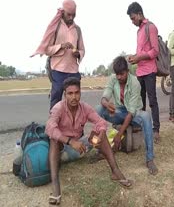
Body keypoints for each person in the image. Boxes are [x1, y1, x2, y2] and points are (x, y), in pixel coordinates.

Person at [45, 77, 131, 205]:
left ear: (80, 93)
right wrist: (70, 141)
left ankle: (115, 171)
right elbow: (49, 128)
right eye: (70, 93)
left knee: (98, 133)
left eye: (76, 93)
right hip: (62, 151)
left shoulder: (84, 107)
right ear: (65, 95)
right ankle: (55, 184)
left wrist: (100, 136)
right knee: (53, 139)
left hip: (81, 147)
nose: (74, 97)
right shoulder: (59, 108)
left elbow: (101, 122)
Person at [96, 56, 158, 175]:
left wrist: (119, 135)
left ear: (127, 72)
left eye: (122, 74)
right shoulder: (113, 79)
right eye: (117, 74)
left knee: (146, 116)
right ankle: (100, 150)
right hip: (120, 112)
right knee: (99, 109)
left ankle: (149, 158)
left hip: (134, 114)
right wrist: (106, 103)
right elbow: (105, 96)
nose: (119, 77)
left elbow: (131, 112)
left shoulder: (135, 82)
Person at [31, 0, 85, 109]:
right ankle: (53, 125)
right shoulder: (55, 27)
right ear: (63, 12)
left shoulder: (77, 30)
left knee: (74, 101)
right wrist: (61, 46)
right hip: (58, 70)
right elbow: (47, 50)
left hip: (73, 71)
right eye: (69, 14)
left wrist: (78, 54)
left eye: (73, 15)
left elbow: (82, 49)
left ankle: (72, 125)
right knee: (56, 101)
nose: (71, 18)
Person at [126, 2, 161, 144]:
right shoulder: (139, 30)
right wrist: (135, 57)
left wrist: (139, 57)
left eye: (133, 18)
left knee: (152, 101)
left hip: (150, 71)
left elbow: (155, 51)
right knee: (140, 103)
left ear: (140, 14)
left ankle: (156, 130)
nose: (133, 22)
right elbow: (142, 51)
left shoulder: (150, 27)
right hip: (140, 71)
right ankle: (142, 127)